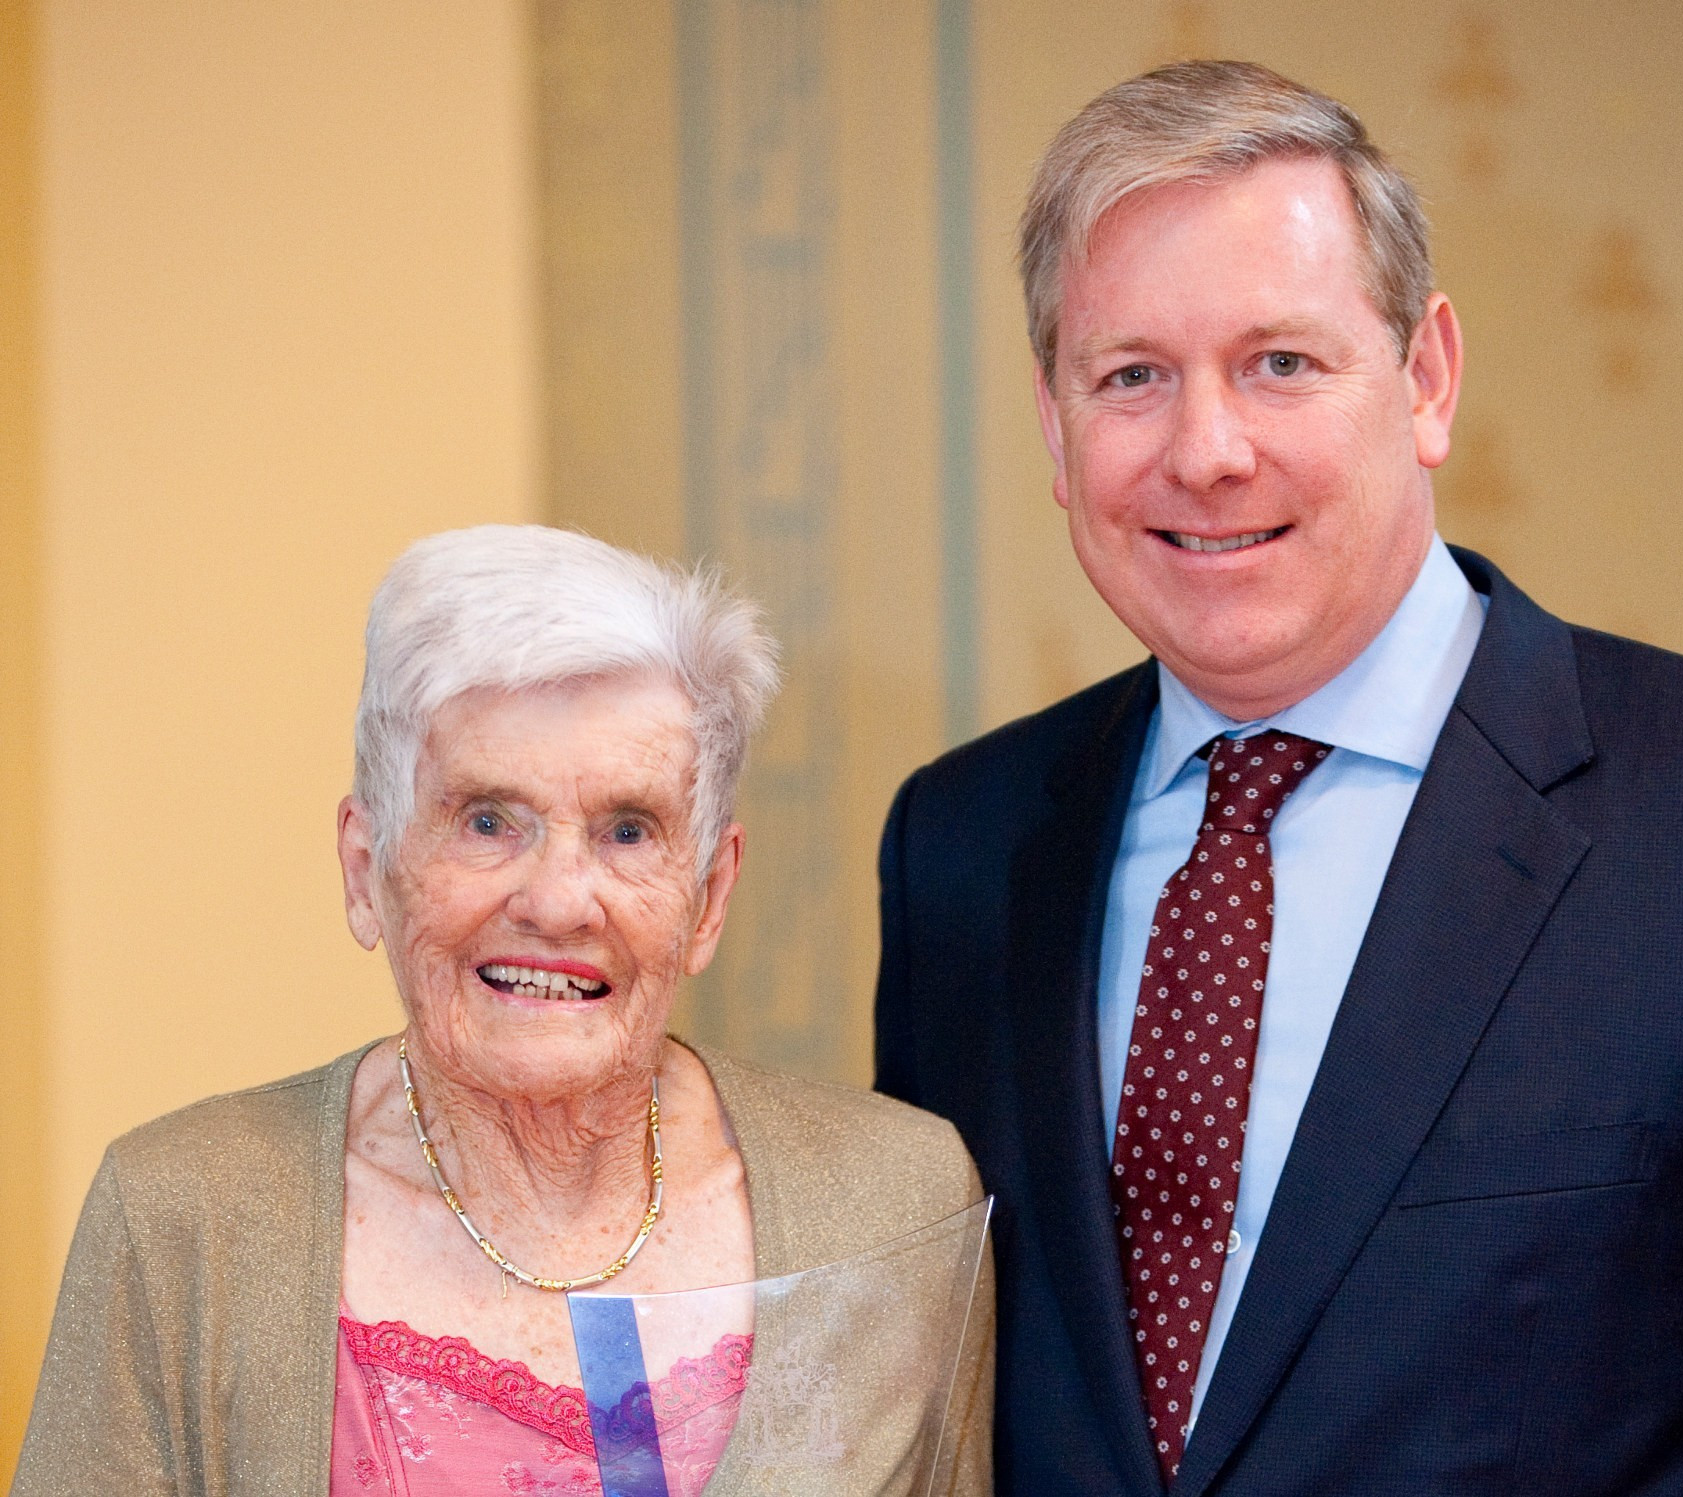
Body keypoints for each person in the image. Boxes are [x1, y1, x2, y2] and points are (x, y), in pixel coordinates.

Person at [874, 59, 1683, 1496]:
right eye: (1131, 377)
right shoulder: (961, 845)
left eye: (1281, 362)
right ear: (1053, 424)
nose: (1207, 451)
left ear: (1426, 378)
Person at [18, 525, 991, 1497]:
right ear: (367, 871)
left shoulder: (895, 1209)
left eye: (626, 830)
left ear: (710, 896)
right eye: (487, 821)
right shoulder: (186, 1220)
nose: (559, 898)